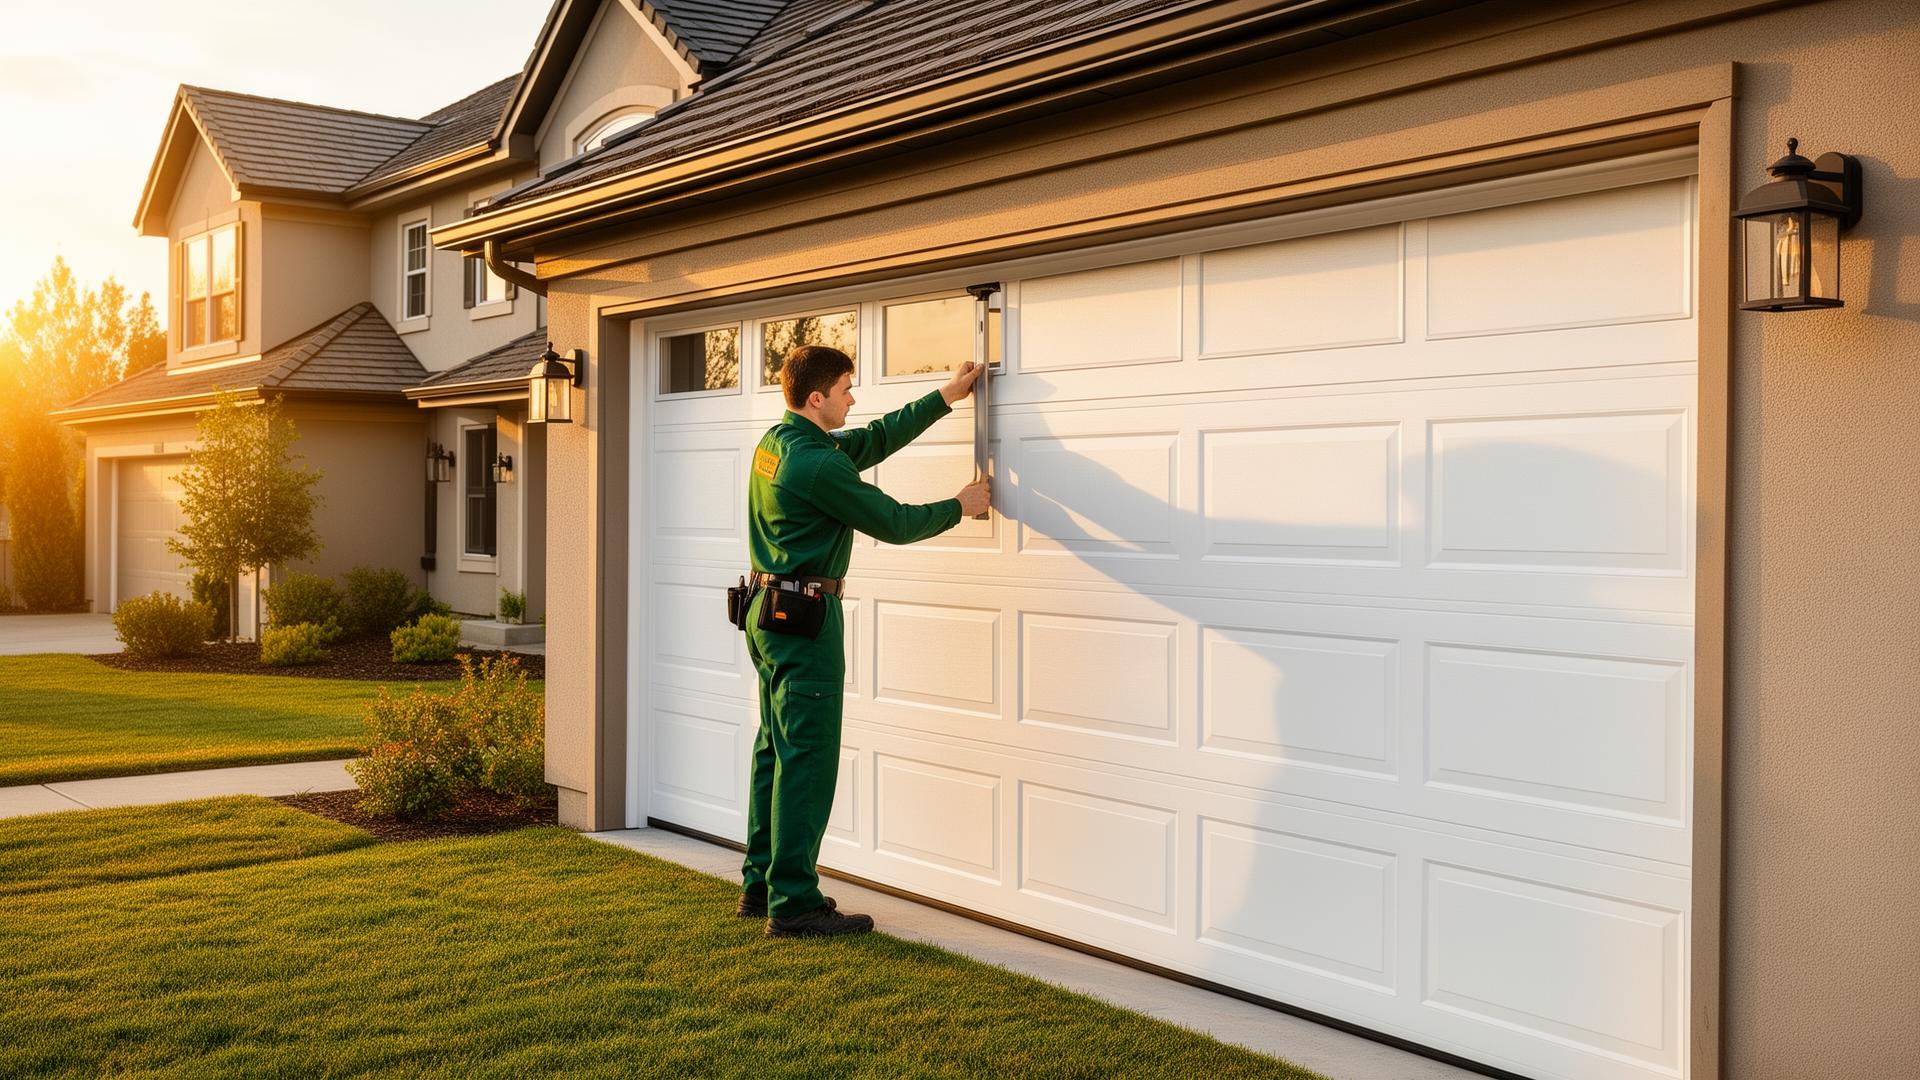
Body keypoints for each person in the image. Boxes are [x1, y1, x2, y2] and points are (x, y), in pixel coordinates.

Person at [738, 344, 990, 937]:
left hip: (767, 612)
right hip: (804, 622)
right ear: (817, 397)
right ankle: (794, 904)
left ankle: (761, 884)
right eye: (847, 389)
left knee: (775, 750)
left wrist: (946, 396)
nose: (854, 399)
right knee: (807, 760)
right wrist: (959, 506)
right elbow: (895, 523)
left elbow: (873, 440)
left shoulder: (781, 443)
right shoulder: (816, 464)